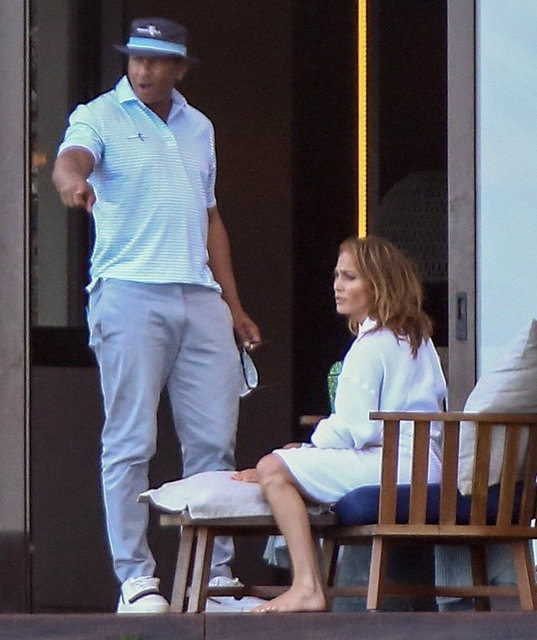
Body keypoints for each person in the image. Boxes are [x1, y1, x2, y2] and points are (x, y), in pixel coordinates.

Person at [52, 17, 261, 614]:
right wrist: (72, 182)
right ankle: (136, 579)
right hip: (129, 293)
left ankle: (211, 582)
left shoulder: (200, 126)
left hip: (200, 299)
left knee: (214, 445)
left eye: (156, 60)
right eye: (135, 58)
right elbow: (71, 159)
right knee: (131, 440)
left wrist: (234, 306)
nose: (142, 69)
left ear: (180, 69)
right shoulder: (99, 115)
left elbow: (209, 217)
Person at [233, 235, 447, 612]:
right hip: (424, 468)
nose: (337, 285)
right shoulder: (416, 339)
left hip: (391, 469)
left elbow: (355, 429)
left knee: (272, 469)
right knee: (288, 463)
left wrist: (304, 451)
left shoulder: (371, 345)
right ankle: (314, 583)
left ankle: (306, 585)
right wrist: (305, 454)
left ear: (378, 285)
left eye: (349, 277)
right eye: (336, 276)